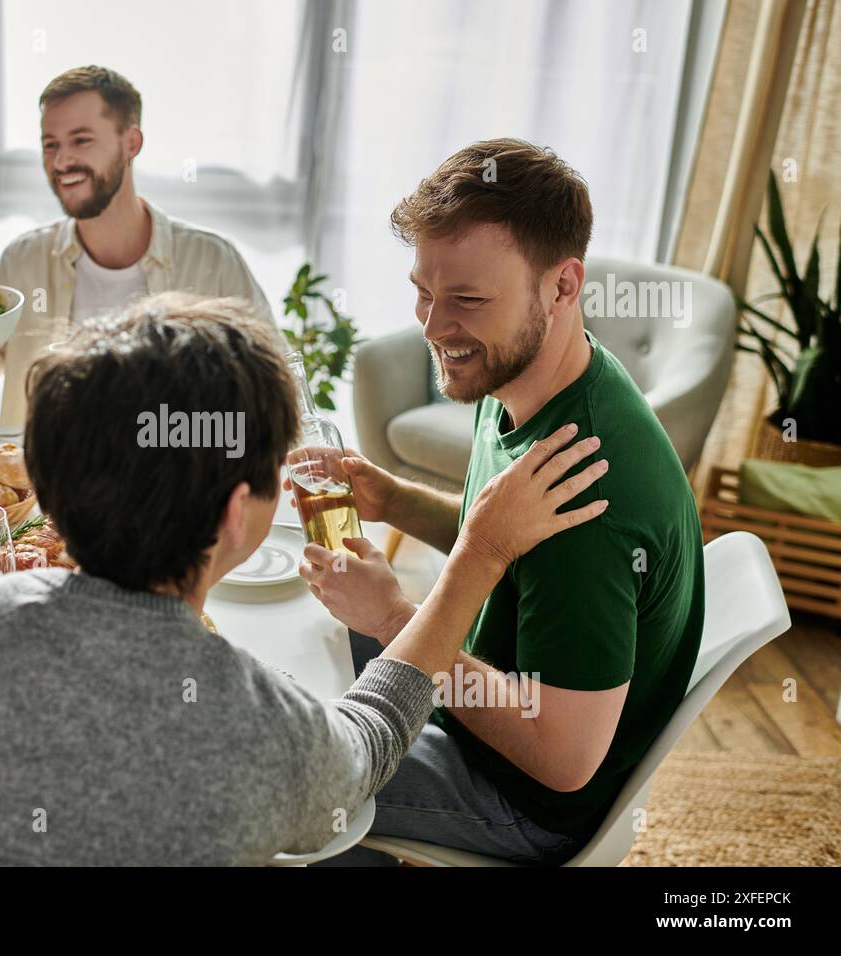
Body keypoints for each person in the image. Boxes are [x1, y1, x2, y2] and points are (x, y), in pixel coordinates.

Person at [0, 291, 606, 865]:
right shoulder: (262, 726)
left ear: (52, 489)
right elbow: (368, 745)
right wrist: (479, 557)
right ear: (234, 517)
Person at [299, 139, 704, 864]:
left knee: (289, 781)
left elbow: (563, 757)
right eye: (424, 291)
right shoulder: (535, 376)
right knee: (293, 655)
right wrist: (394, 498)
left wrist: (395, 617)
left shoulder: (591, 492)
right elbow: (509, 540)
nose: (432, 326)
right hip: (479, 705)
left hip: (520, 797)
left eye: (467, 300)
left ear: (561, 286)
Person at [0, 65, 276, 429]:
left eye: (81, 140)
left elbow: (274, 389)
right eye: (51, 145)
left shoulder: (213, 263)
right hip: (40, 483)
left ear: (131, 143)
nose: (61, 161)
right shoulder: (20, 264)